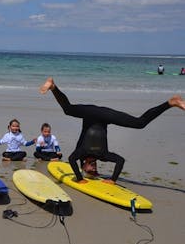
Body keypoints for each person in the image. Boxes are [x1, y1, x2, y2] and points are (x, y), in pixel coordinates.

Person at [40, 76, 185, 184]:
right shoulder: (103, 155)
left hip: (89, 112)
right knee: (139, 123)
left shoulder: (81, 152)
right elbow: (120, 160)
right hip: (105, 115)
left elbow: (72, 159)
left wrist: (79, 178)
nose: (94, 168)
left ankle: (53, 86)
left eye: (90, 170)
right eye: (95, 170)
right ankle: (171, 102)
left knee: (68, 109)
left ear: (83, 165)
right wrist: (113, 179)